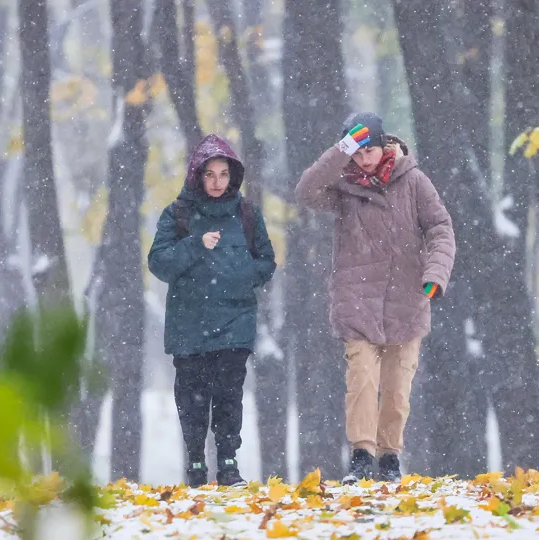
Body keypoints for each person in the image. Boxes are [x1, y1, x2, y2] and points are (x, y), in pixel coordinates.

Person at [295, 112, 455, 484]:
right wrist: (342, 147)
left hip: (408, 300)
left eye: (368, 150)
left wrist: (436, 274)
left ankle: (390, 458)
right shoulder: (342, 189)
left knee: (398, 389)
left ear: (385, 145)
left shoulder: (414, 181)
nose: (363, 159)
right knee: (362, 379)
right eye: (356, 152)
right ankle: (362, 455)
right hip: (357, 301)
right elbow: (305, 191)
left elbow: (440, 227)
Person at [148, 135, 276, 487]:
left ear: (233, 176)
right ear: (197, 176)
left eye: (223, 174)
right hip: (189, 323)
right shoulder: (178, 215)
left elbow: (266, 262)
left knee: (229, 396)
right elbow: (158, 263)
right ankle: (195, 464)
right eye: (210, 174)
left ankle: (229, 464)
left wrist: (239, 275)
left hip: (236, 321)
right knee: (192, 400)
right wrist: (193, 245)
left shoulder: (248, 214)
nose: (218, 182)